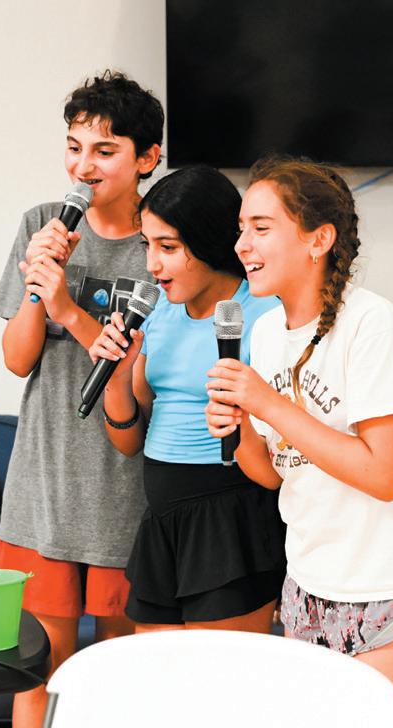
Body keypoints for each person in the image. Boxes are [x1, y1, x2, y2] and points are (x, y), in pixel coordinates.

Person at [205, 156, 393, 709]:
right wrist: (242, 427)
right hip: (310, 577)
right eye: (241, 229)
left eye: (261, 228)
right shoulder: (266, 333)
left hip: (389, 579)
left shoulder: (373, 326)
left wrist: (269, 404)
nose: (242, 245)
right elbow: (273, 475)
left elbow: (384, 474)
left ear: (319, 239)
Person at [0, 71, 162, 728]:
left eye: (104, 151)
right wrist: (41, 291)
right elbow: (17, 359)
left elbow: (143, 373)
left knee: (122, 677)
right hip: (46, 487)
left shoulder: (165, 242)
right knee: (40, 674)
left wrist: (68, 307)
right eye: (73, 147)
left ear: (147, 158)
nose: (83, 166)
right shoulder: (43, 224)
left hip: (128, 492)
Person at [89, 165, 286, 633]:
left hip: (232, 518)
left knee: (218, 676)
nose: (152, 265)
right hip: (162, 520)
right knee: (156, 674)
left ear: (209, 241)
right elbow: (129, 442)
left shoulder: (267, 314)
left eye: (169, 247)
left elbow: (281, 446)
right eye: (147, 245)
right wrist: (116, 379)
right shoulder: (158, 312)